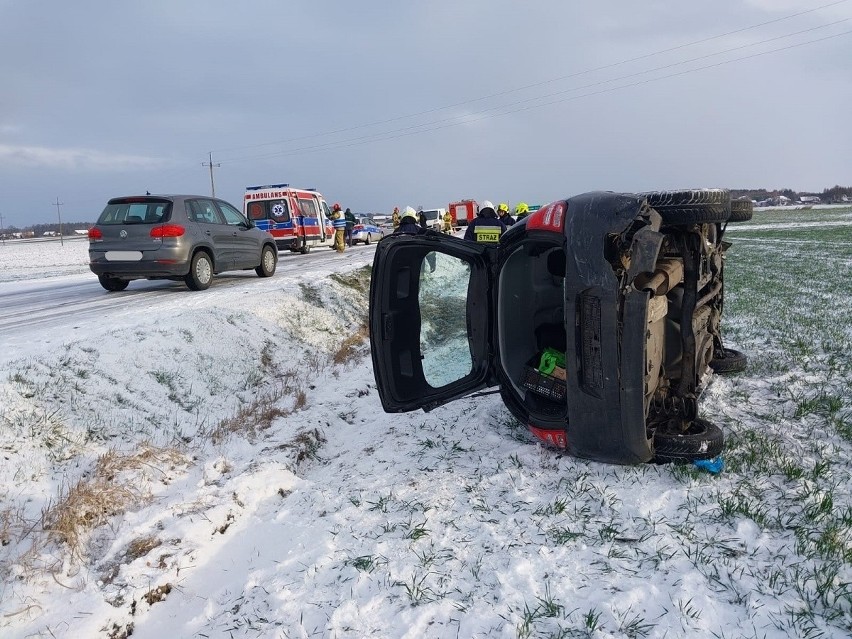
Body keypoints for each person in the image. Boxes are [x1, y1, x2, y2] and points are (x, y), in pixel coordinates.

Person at [396, 206, 436, 272]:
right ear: (414, 216)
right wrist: (432, 264)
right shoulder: (420, 231)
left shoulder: (396, 232)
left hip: (400, 271)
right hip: (418, 269)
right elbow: (429, 251)